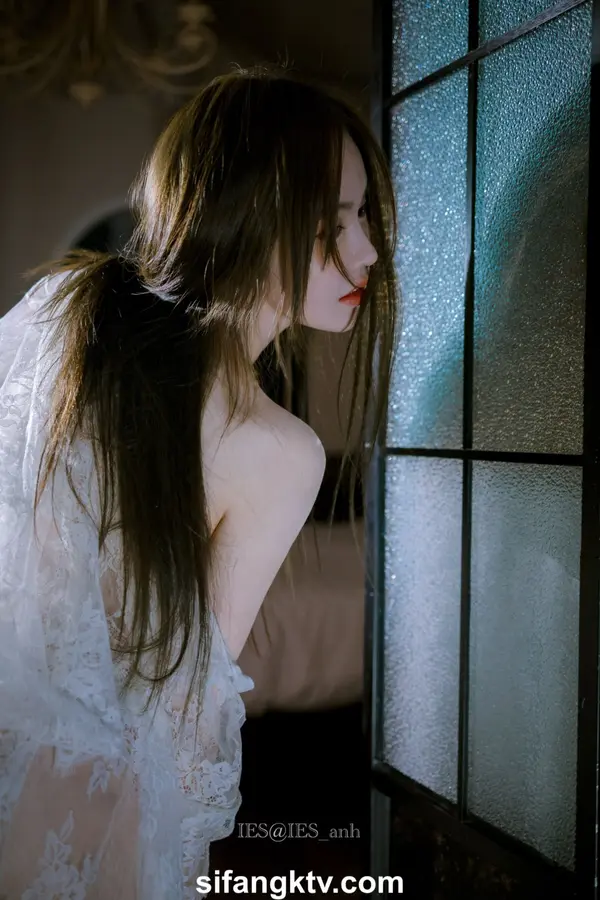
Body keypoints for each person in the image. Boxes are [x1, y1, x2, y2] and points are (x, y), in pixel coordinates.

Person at [0, 64, 399, 897]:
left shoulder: (69, 311)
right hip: (90, 815)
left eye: (363, 215)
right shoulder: (279, 452)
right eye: (331, 221)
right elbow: (184, 710)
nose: (367, 251)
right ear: (248, 212)